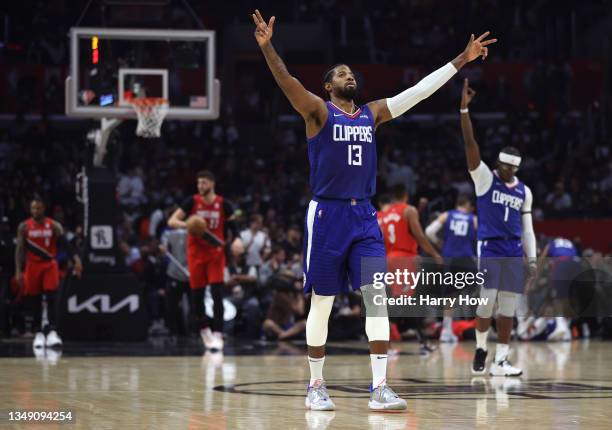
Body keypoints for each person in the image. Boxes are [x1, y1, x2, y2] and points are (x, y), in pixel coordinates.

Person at [253, 8, 496, 410]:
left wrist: (460, 60)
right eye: (342, 73)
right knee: (323, 302)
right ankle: (315, 386)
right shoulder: (317, 111)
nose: (350, 76)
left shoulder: (372, 113)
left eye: (352, 73)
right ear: (328, 85)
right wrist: (268, 48)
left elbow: (417, 92)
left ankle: (379, 386)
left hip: (364, 216)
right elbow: (286, 81)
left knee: (377, 296)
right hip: (328, 215)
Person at [460, 79, 537, 376]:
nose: (508, 172)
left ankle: (501, 361)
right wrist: (464, 109)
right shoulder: (484, 178)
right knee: (485, 303)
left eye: (513, 169)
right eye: (505, 168)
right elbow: (470, 144)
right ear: (498, 164)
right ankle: (481, 348)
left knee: (508, 307)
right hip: (489, 246)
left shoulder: (524, 191)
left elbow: (527, 228)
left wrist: (530, 259)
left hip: (512, 249)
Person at [168, 170, 235, 351]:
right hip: (195, 254)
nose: (200, 186)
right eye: (198, 183)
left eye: (204, 183)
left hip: (215, 253)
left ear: (212, 184)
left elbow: (234, 223)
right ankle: (204, 330)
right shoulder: (191, 202)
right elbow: (172, 221)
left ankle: (218, 333)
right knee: (196, 296)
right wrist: (188, 225)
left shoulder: (223, 204)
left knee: (217, 294)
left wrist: (237, 240)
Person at [378, 184, 443, 354]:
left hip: (388, 258)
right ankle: (419, 343)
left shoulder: (383, 215)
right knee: (405, 304)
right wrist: (435, 254)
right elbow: (420, 236)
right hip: (404, 260)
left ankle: (413, 343)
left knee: (398, 302)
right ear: (406, 195)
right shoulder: (408, 210)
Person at [15, 197, 82, 349]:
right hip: (32, 265)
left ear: (43, 208)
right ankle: (38, 333)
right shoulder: (24, 226)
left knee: (52, 298)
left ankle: (52, 332)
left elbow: (66, 244)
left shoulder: (53, 225)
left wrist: (76, 260)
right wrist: (18, 271)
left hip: (49, 264)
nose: (35, 211)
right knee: (34, 299)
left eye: (38, 208)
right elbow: (19, 250)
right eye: (33, 208)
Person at [425, 195, 478, 342]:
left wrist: (440, 242)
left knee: (450, 295)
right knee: (479, 288)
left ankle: (446, 330)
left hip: (450, 259)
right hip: (467, 259)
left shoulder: (446, 215)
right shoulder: (473, 219)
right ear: (467, 205)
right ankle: (479, 326)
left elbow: (429, 231)